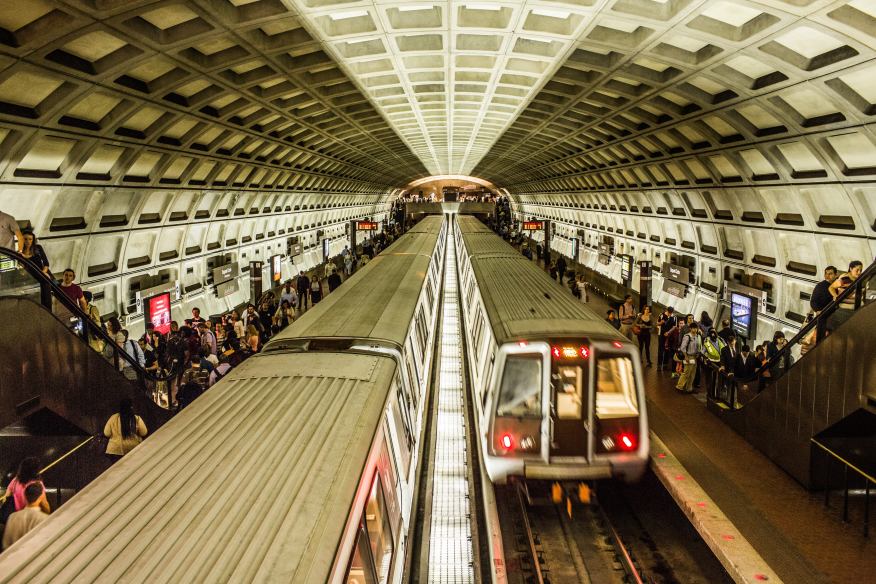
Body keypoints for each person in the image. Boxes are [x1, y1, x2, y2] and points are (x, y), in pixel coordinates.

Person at [2, 482, 49, 550]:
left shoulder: (12, 517)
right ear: (41, 497)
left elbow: (5, 544)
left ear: (24, 496)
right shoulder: (44, 519)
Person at [828, 260, 864, 328]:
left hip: (855, 305)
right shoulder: (844, 279)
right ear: (851, 269)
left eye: (861, 270)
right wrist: (835, 296)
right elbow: (831, 287)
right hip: (846, 308)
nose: (859, 272)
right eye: (857, 270)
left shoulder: (857, 279)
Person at [676, 323, 701, 393]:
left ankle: (689, 388)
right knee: (686, 372)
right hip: (688, 356)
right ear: (690, 328)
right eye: (693, 328)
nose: (695, 330)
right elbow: (682, 347)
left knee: (693, 373)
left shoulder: (697, 336)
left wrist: (698, 353)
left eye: (696, 328)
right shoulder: (687, 336)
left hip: (694, 357)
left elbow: (697, 347)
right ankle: (679, 386)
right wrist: (686, 357)